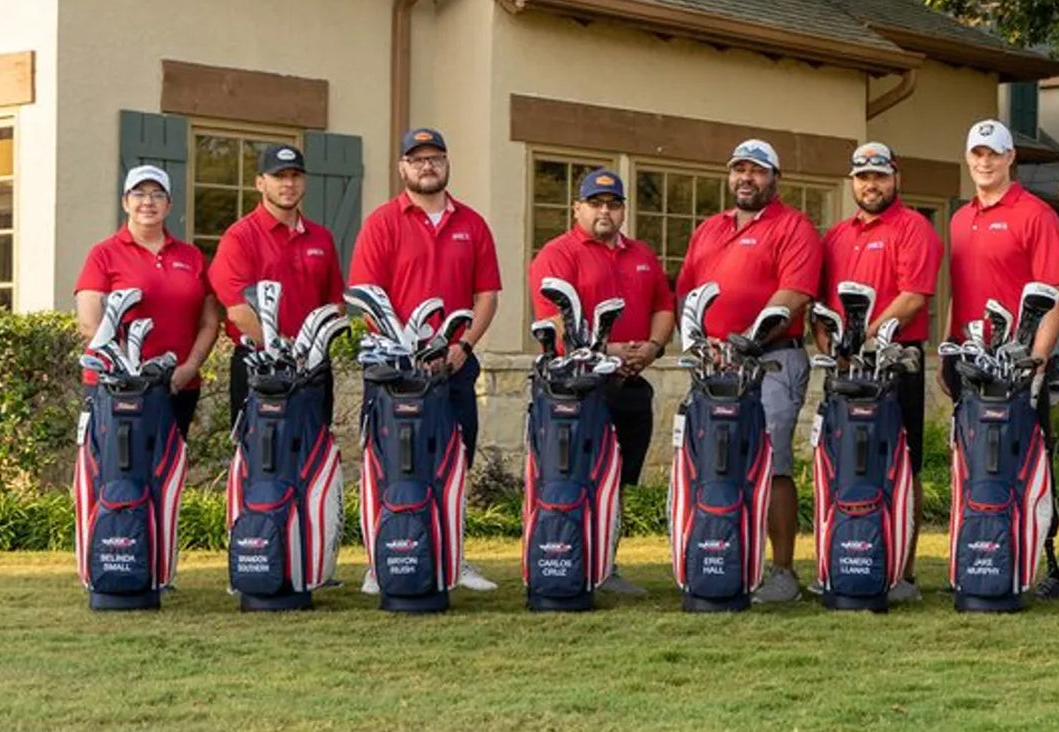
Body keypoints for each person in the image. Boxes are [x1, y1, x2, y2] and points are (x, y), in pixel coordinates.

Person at [349, 127, 503, 593]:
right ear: (402, 168)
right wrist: (406, 348)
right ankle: (383, 559)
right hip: (395, 369)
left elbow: (487, 295)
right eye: (417, 160)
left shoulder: (472, 224)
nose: (427, 166)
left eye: (435, 157)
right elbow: (366, 296)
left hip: (455, 364)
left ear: (447, 163)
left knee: (455, 460)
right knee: (389, 462)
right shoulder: (382, 222)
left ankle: (452, 557)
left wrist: (464, 346)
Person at [675, 139, 823, 603]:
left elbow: (795, 292)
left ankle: (781, 573)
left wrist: (749, 337)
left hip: (772, 360)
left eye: (757, 171)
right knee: (716, 463)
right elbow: (687, 292)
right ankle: (724, 556)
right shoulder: (709, 229)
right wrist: (700, 344)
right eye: (739, 169)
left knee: (772, 459)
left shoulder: (793, 226)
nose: (746, 178)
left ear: (775, 179)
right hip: (714, 365)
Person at [942, 119, 1059, 597]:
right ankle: (982, 552)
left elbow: (1057, 294)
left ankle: (1047, 562)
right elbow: (959, 291)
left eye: (993, 154)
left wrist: (1037, 364)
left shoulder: (1035, 214)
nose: (985, 162)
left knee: (1028, 457)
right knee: (975, 460)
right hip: (971, 360)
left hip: (1019, 360)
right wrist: (948, 346)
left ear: (1010, 158)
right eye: (977, 154)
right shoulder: (960, 218)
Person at [526, 168, 672, 596]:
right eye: (595, 203)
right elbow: (550, 320)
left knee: (618, 480)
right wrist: (607, 352)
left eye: (612, 204)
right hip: (575, 386)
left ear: (623, 210)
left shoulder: (642, 255)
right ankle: (563, 559)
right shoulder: (558, 253)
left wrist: (651, 348)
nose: (604, 211)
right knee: (575, 475)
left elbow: (664, 306)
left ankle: (606, 567)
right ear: (577, 208)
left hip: (628, 382)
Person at [817, 142, 942, 603]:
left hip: (896, 359)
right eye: (863, 177)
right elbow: (821, 303)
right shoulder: (836, 235)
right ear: (853, 181)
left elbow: (912, 297)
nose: (871, 185)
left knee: (901, 463)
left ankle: (902, 572)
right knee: (842, 462)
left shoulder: (914, 229)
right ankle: (847, 557)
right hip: (845, 364)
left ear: (896, 178)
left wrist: (864, 339)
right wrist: (832, 342)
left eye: (880, 176)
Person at [74, 165, 221, 439]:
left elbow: (209, 322)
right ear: (125, 202)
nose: (148, 202)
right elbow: (89, 323)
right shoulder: (104, 254)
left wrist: (190, 368)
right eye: (139, 193)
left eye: (157, 194)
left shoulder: (192, 257)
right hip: (118, 386)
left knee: (167, 470)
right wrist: (132, 370)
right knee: (116, 475)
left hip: (177, 385)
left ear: (169, 205)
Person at [208, 144, 345, 426]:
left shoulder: (322, 238)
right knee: (260, 462)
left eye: (295, 175)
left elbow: (335, 305)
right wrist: (283, 352)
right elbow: (238, 310)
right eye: (279, 176)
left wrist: (309, 351)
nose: (288, 184)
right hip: (259, 365)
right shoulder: (239, 237)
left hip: (312, 366)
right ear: (260, 183)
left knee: (313, 458)